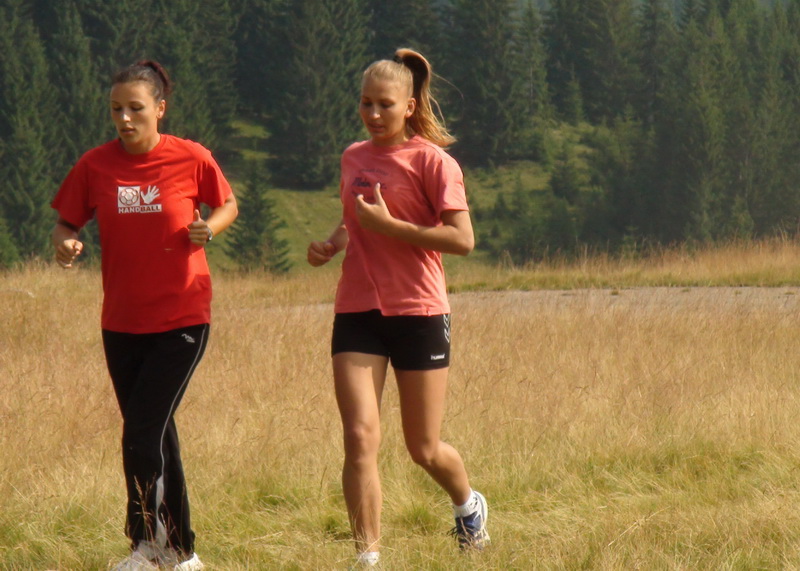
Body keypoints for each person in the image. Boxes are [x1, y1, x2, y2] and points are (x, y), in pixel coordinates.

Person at [51, 60, 238, 571]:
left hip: (182, 319)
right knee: (158, 434)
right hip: (121, 324)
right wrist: (67, 242)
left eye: (135, 108)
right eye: (116, 109)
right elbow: (68, 220)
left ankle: (146, 546)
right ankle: (181, 553)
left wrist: (210, 229)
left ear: (159, 109)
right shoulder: (95, 165)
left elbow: (226, 204)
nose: (125, 119)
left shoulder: (190, 157)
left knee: (140, 433)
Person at [307, 48, 489, 568]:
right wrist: (332, 243)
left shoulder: (435, 162)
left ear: (410, 106)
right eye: (366, 103)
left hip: (420, 311)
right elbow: (356, 216)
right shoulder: (352, 157)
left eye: (385, 104)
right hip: (358, 309)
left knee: (423, 448)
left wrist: (394, 230)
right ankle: (368, 558)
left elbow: (462, 239)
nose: (373, 114)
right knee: (360, 436)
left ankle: (468, 505)